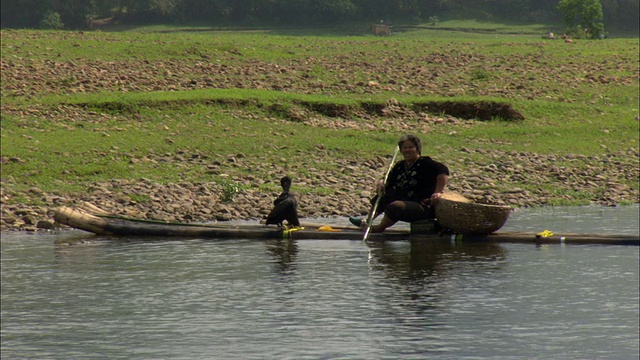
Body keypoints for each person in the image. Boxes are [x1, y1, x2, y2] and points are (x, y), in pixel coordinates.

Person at [350, 134, 449, 233]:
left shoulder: (425, 163)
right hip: (405, 200)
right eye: (405, 148)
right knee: (384, 196)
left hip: (422, 205)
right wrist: (381, 183)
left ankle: (380, 228)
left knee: (395, 206)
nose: (407, 150)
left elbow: (443, 171)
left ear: (417, 149)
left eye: (410, 147)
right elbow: (388, 180)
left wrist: (438, 192)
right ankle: (367, 221)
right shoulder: (400, 166)